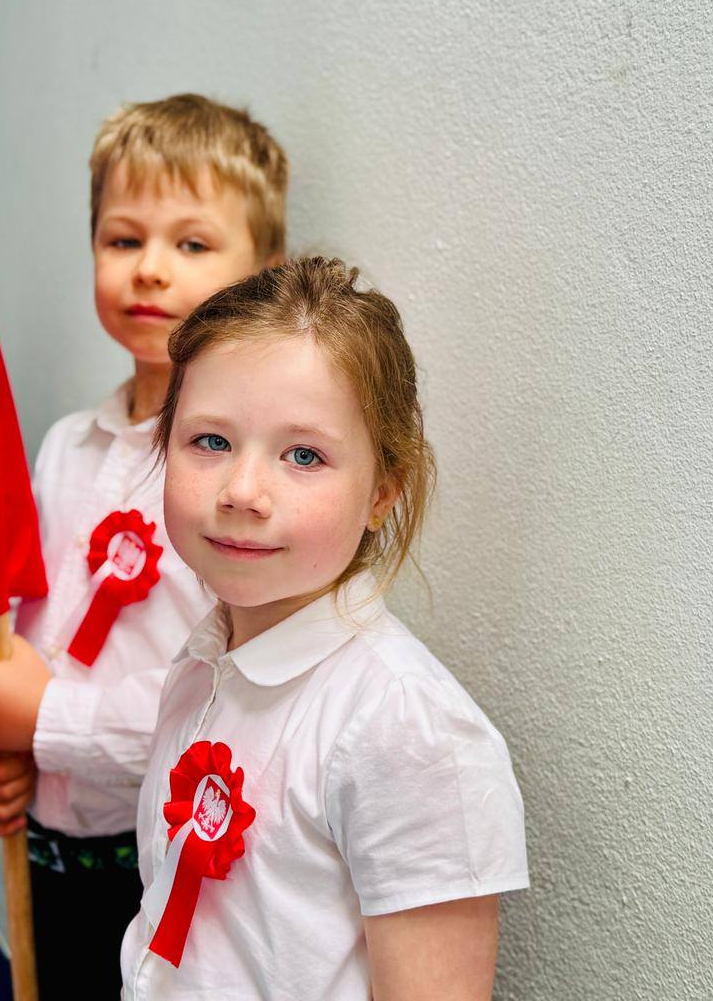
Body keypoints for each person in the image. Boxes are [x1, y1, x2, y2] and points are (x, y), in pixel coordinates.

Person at [119, 258, 529, 1000]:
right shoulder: (207, 656)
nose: (243, 492)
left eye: (303, 455)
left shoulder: (409, 731)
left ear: (382, 491)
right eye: (210, 441)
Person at [0, 95, 289, 997]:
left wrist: (45, 720)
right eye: (122, 239)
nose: (149, 269)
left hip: (161, 873)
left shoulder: (242, 490)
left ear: (266, 274)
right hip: (42, 849)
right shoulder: (67, 447)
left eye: (192, 244)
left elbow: (223, 701)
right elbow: (14, 630)